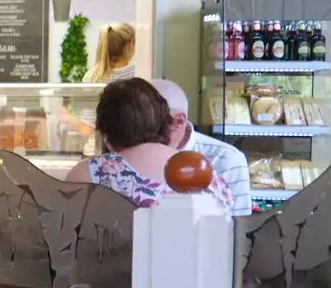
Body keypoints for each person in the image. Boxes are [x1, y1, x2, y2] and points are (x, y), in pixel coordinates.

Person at [66, 77, 233, 210]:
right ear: (164, 121)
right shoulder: (207, 175)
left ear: (106, 136)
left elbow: (64, 238)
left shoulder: (89, 173)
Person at [151, 78, 252, 217]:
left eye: (151, 123)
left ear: (179, 121)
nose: (142, 132)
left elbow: (240, 229)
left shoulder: (228, 159)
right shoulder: (131, 155)